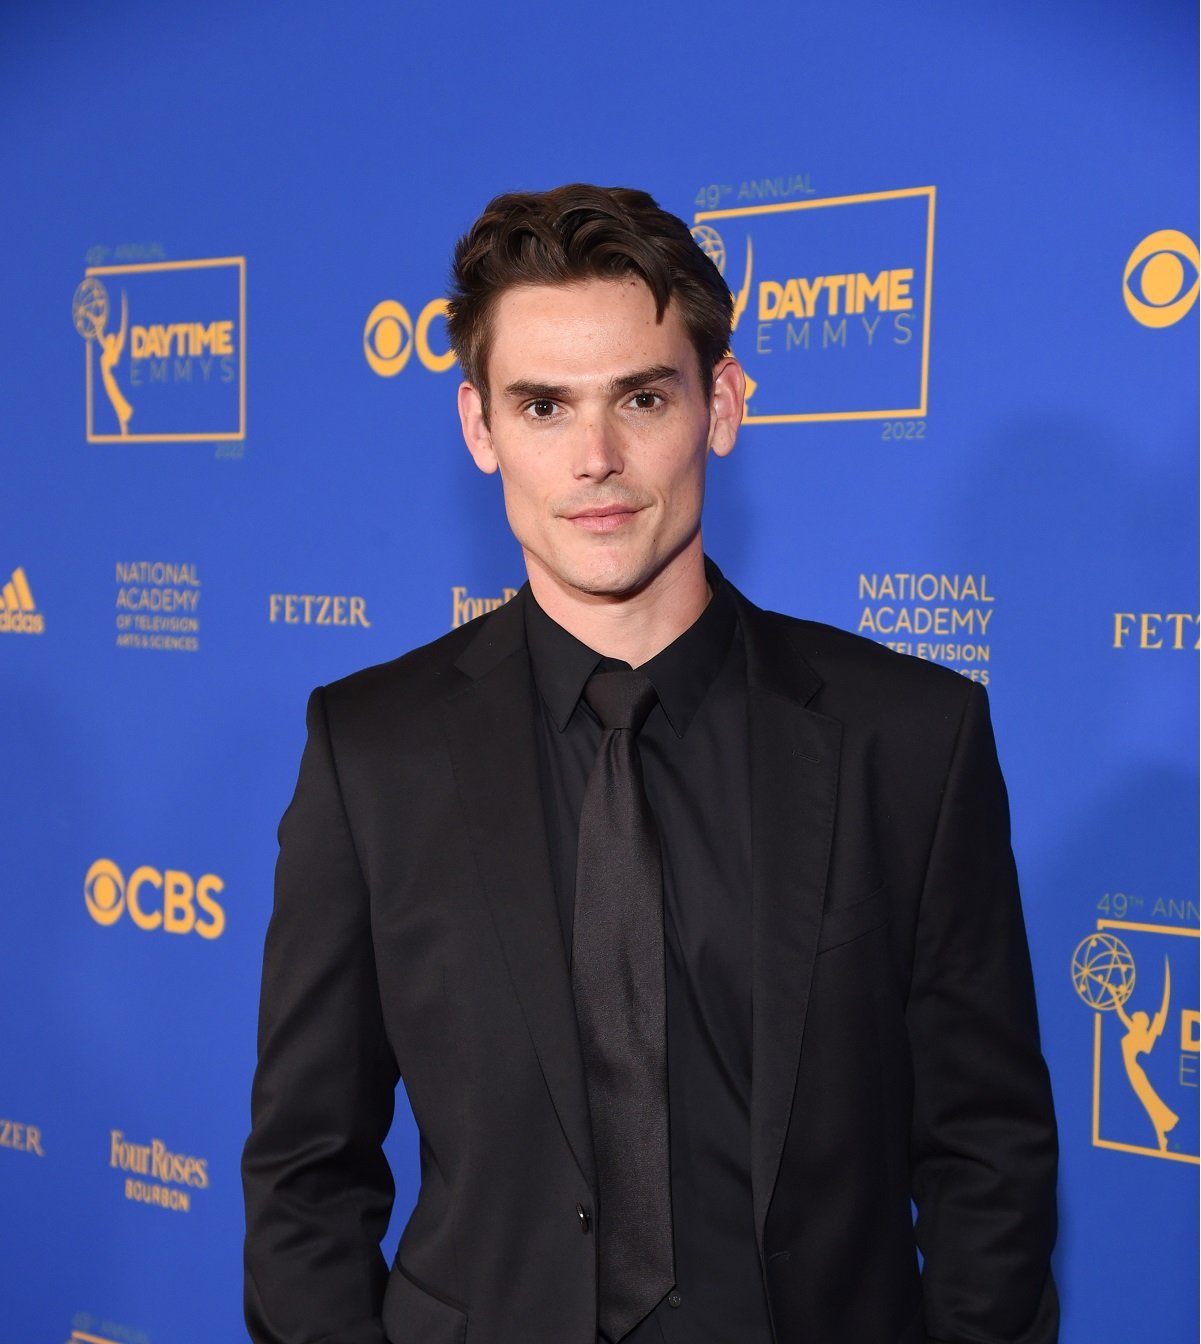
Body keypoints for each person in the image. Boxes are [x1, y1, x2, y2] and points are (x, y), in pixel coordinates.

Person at [242, 184, 1059, 1344]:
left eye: (640, 396)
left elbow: (991, 1156)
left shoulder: (909, 739)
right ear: (478, 428)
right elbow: (304, 1174)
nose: (596, 459)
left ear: (720, 405)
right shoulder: (369, 751)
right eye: (541, 406)